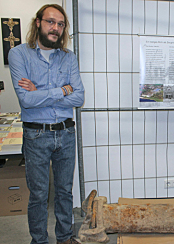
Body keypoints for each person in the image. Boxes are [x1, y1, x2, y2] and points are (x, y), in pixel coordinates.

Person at [8, 4, 84, 244]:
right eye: (51, 22)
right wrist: (62, 90)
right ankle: (39, 241)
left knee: (64, 193)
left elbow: (79, 97)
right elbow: (26, 100)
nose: (56, 28)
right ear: (38, 22)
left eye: (60, 24)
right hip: (36, 135)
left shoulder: (68, 57)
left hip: (66, 132)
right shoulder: (19, 54)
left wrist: (41, 90)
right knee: (39, 195)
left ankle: (64, 238)